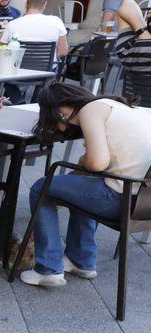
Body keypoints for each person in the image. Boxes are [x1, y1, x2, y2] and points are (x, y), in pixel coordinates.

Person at [20, 83, 151, 287]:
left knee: (41, 187)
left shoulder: (90, 110)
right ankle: (80, 260)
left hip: (122, 199)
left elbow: (97, 163)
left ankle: (48, 268)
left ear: (60, 112)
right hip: (144, 202)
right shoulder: (116, 106)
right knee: (82, 183)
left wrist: (83, 160)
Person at [0, 0, 68, 59]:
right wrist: (50, 58)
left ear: (26, 4)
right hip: (47, 72)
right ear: (45, 4)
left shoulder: (12, 24)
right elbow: (63, 52)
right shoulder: (56, 21)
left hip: (18, 70)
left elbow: (2, 50)